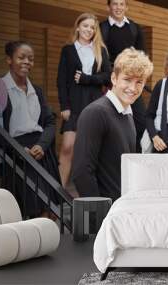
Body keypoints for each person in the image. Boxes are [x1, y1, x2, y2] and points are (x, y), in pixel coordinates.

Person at [0, 40, 61, 217]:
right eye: (21, 57)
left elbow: (49, 122)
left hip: (42, 152)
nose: (27, 62)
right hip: (16, 153)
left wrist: (42, 145)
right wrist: (14, 148)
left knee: (52, 211)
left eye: (30, 59)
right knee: (36, 212)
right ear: (9, 59)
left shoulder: (37, 91)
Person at [71, 48, 153, 201]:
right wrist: (101, 214)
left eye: (139, 82)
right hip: (106, 215)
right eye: (127, 79)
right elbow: (81, 172)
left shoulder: (128, 114)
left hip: (124, 208)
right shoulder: (95, 113)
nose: (133, 88)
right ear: (114, 78)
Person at [57, 13, 111, 189]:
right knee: (67, 147)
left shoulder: (100, 51)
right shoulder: (68, 50)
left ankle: (89, 193)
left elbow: (107, 77)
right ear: (78, 27)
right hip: (73, 104)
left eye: (92, 27)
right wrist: (64, 106)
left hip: (94, 104)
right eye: (86, 26)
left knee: (90, 151)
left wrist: (87, 79)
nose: (89, 30)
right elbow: (62, 80)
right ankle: (59, 191)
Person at [100, 0, 147, 153]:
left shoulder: (134, 28)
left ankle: (134, 155)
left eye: (122, 4)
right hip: (112, 82)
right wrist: (111, 76)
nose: (118, 7)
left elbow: (143, 54)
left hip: (132, 81)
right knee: (114, 122)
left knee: (140, 121)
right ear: (109, 7)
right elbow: (100, 55)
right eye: (115, 4)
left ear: (126, 7)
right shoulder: (102, 28)